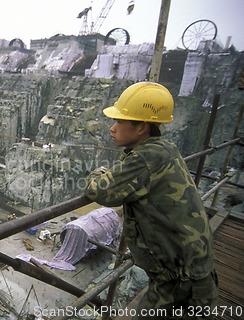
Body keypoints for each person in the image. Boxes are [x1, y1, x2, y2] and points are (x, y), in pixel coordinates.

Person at [84, 82, 218, 319]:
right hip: (191, 268)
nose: (112, 129)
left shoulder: (145, 158)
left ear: (141, 128)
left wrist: (97, 172)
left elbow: (100, 191)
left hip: (180, 278)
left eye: (119, 122)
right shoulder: (164, 147)